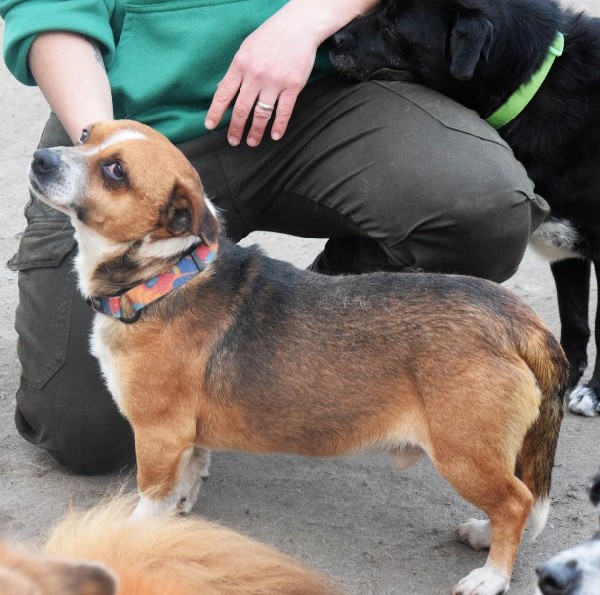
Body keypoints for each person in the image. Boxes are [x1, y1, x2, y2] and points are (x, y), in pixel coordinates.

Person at [0, 0, 549, 475]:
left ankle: (303, 345)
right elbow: (50, 9)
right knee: (81, 432)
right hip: (132, 121)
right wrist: (110, 153)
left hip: (320, 90)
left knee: (484, 210)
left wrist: (308, 19)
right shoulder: (118, 147)